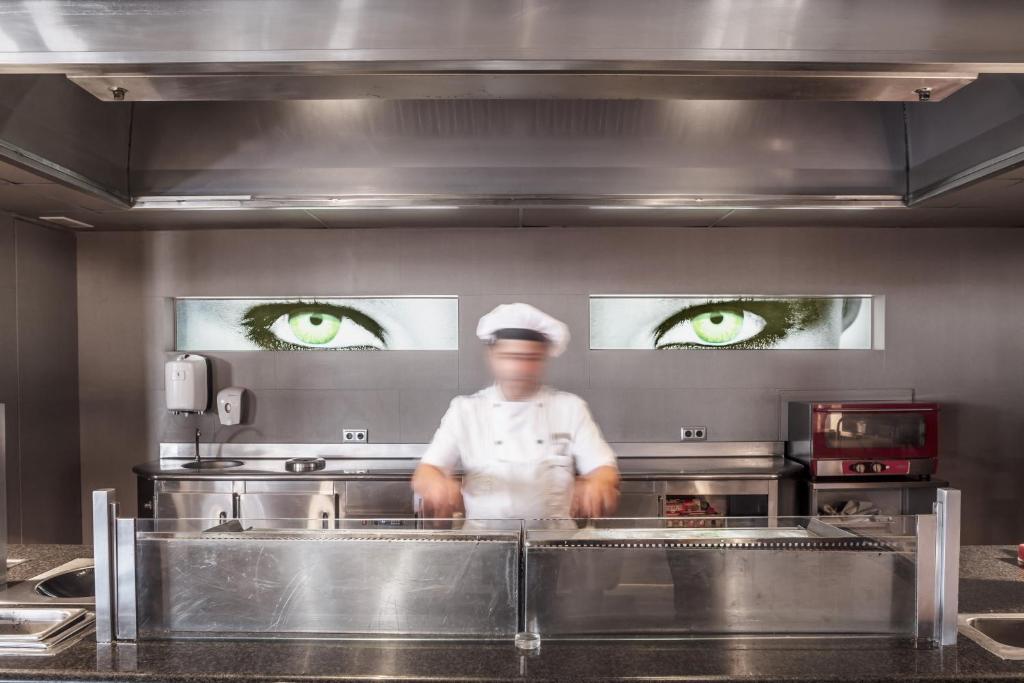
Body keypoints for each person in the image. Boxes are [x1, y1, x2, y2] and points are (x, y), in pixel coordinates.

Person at [412, 303, 620, 520]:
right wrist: (434, 483)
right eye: (510, 356)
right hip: (483, 537)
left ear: (543, 359)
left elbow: (603, 468)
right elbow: (427, 470)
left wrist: (599, 483)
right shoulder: (465, 410)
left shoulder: (570, 408)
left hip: (555, 537)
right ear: (492, 356)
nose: (519, 368)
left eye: (530, 358)